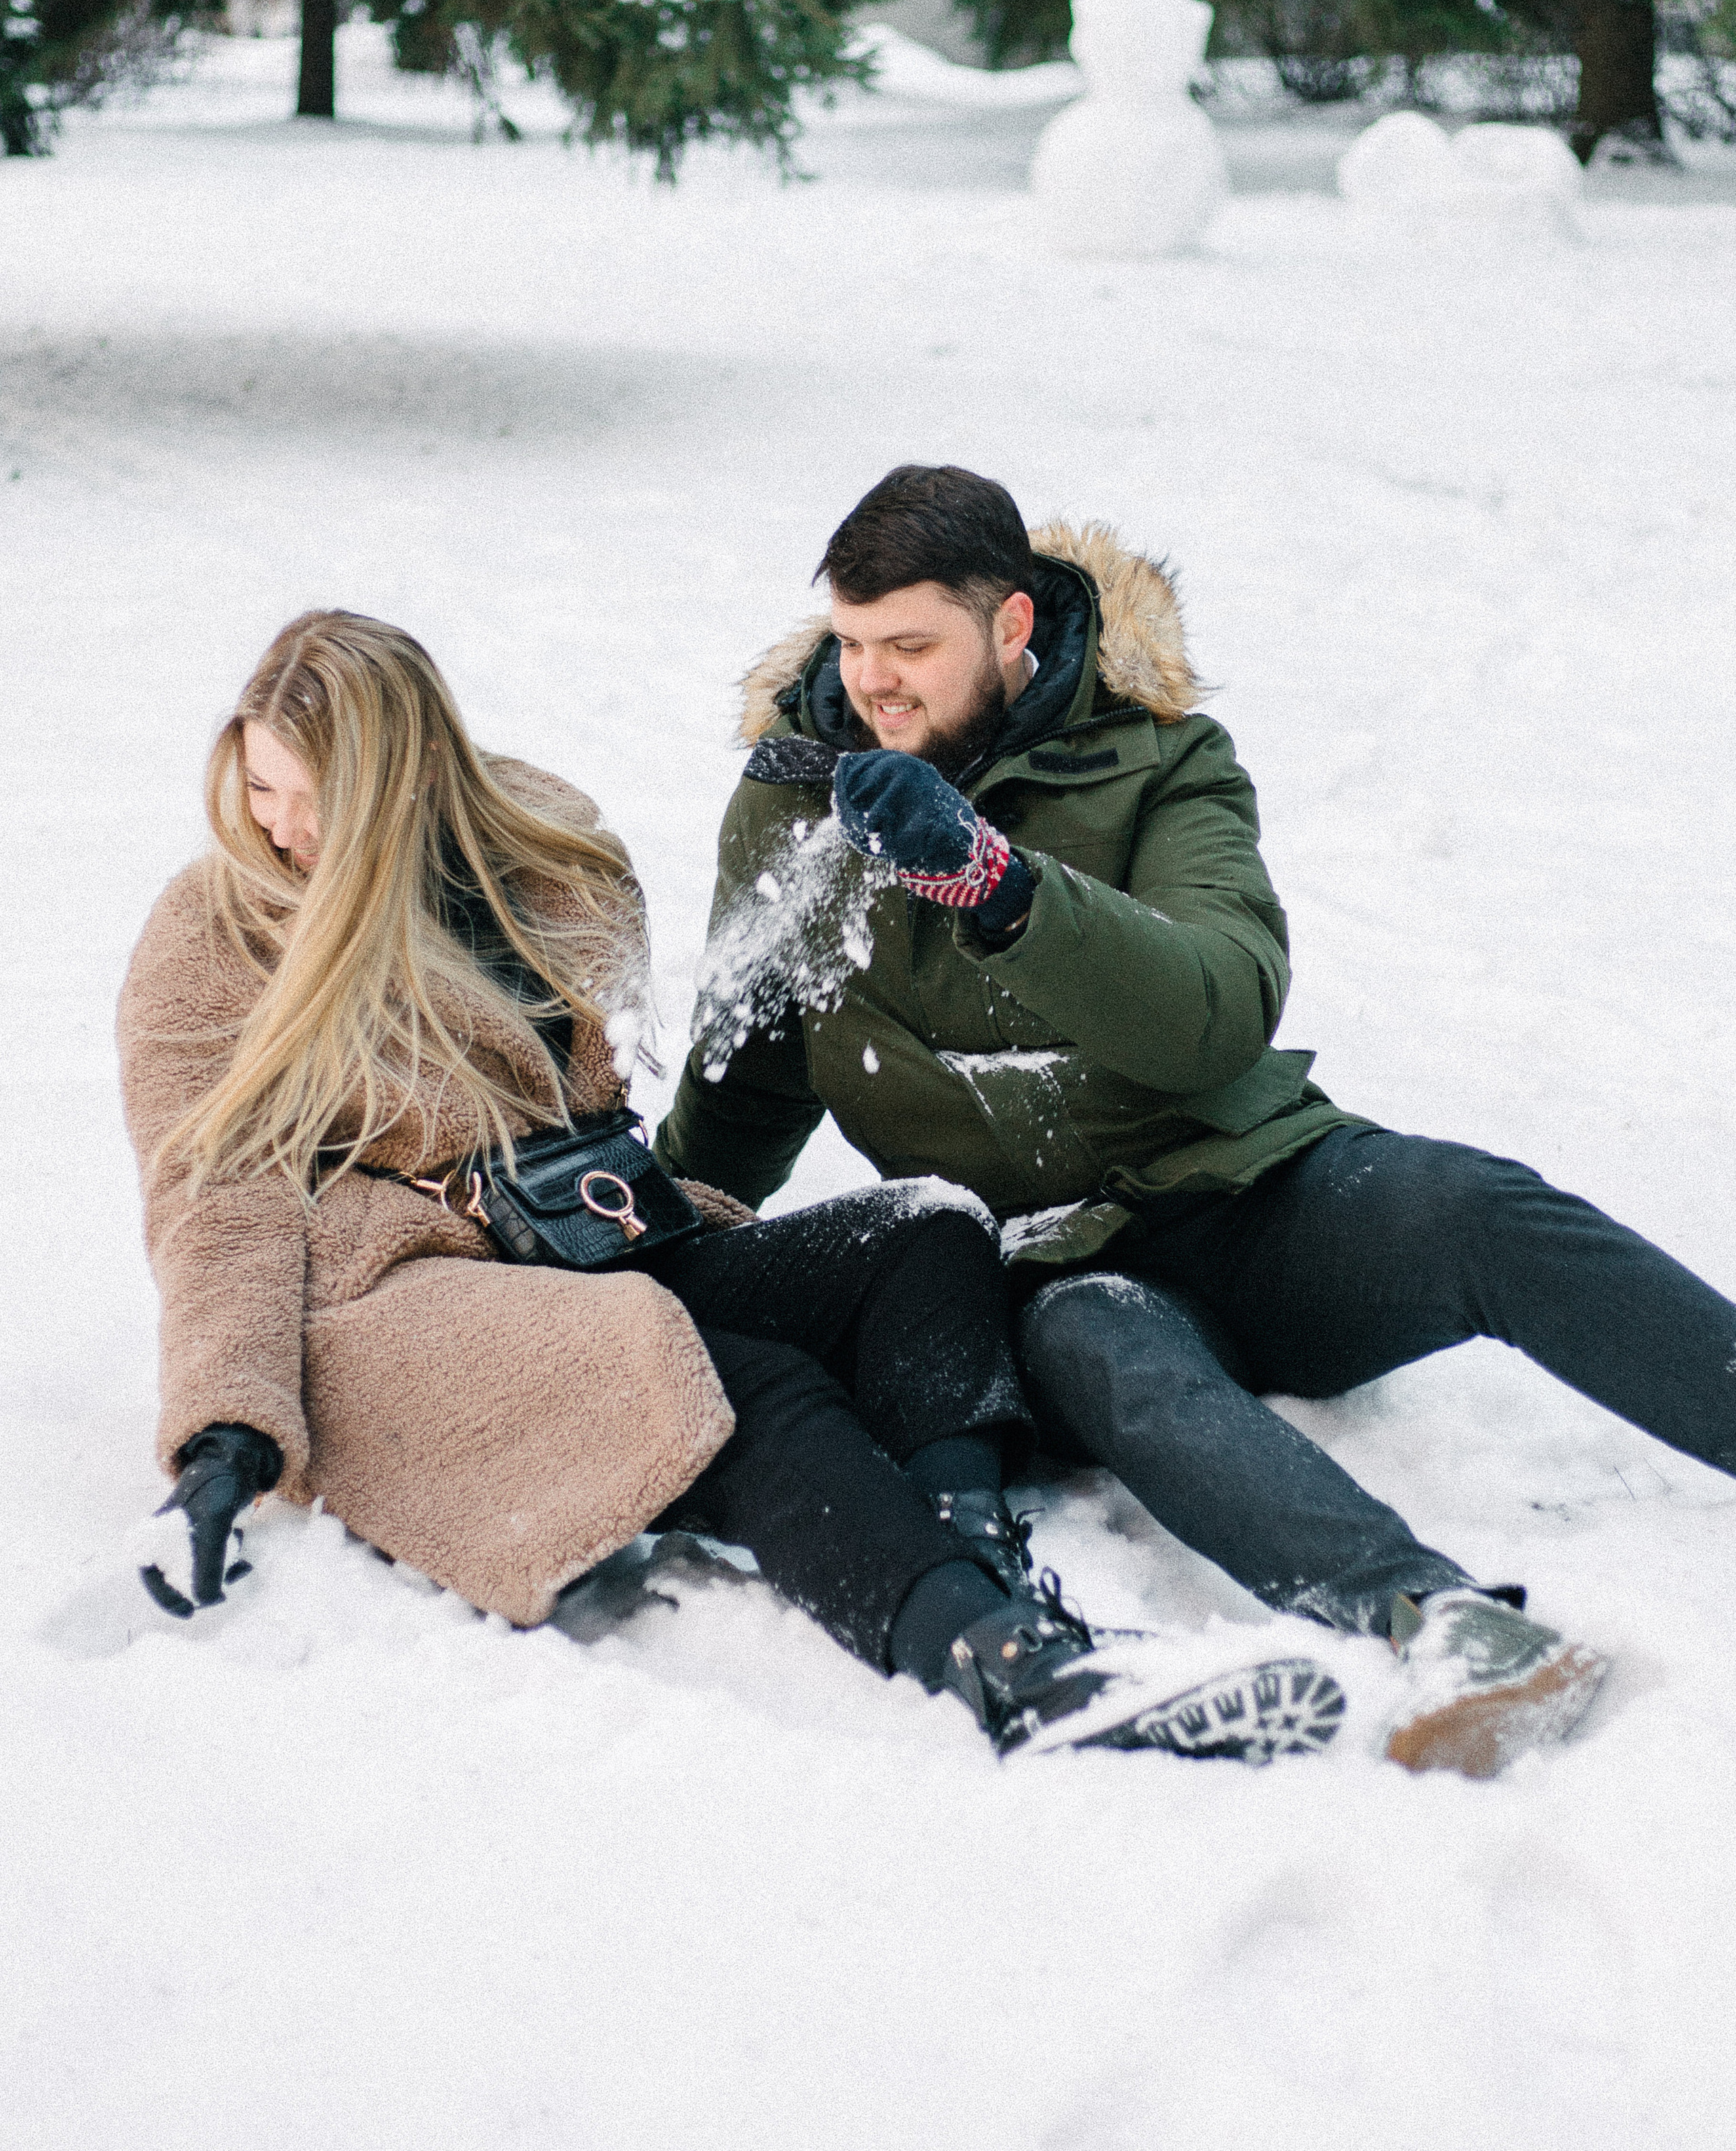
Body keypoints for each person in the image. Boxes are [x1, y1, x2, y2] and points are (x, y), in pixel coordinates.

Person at [117, 607, 1345, 1765]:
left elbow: (585, 1098)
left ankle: (978, 1555)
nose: (276, 829)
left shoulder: (527, 862)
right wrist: (224, 1442)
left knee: (929, 1231)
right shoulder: (217, 934)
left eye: (305, 796)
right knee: (721, 1377)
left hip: (591, 1248)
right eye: (258, 787)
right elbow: (212, 1197)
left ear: (400, 786)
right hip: (410, 1313)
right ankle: (1009, 1669)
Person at [656, 463, 1736, 1779]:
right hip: (1053, 1266)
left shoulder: (1159, 760)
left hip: (1251, 1197)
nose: (874, 679)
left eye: (912, 647)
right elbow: (742, 1087)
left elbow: (1213, 1012)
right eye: (853, 643)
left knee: (1469, 1202)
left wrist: (996, 886)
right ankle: (1432, 1620)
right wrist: (650, 1262)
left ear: (1010, 628)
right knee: (1101, 1343)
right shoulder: (794, 808)